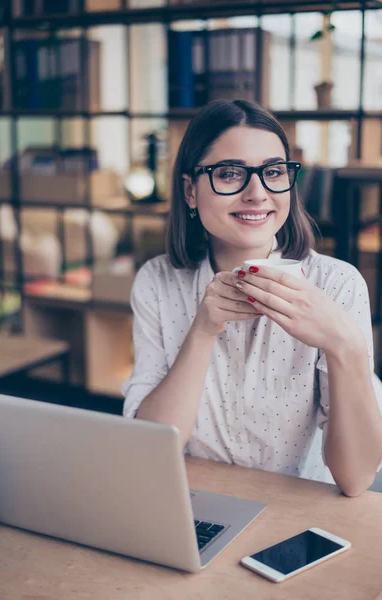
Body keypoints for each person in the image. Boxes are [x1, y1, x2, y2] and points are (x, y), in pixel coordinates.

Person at [121, 99, 382, 497]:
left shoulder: (337, 284)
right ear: (190, 191)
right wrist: (203, 331)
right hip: (193, 503)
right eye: (230, 174)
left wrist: (343, 342)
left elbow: (356, 478)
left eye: (274, 172)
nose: (258, 194)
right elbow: (152, 448)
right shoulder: (158, 282)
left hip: (298, 511)